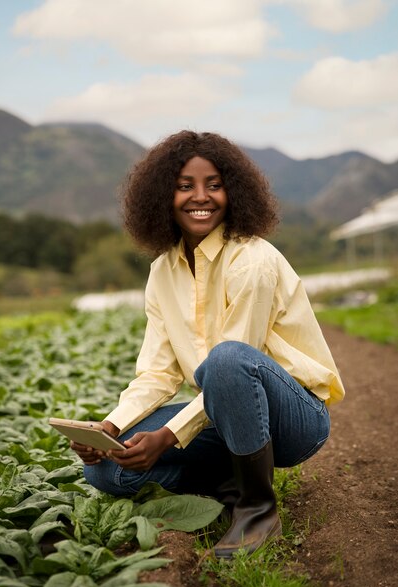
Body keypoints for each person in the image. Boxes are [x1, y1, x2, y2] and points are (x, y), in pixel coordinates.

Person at [71, 130, 345, 558]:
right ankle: (223, 487)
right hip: (223, 415)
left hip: (294, 419)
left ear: (233, 192)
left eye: (214, 185)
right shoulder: (163, 270)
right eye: (185, 186)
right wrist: (111, 428)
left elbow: (233, 364)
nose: (201, 197)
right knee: (106, 470)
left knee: (227, 359)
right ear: (164, 195)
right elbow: (158, 373)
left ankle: (257, 509)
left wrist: (166, 436)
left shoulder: (252, 260)